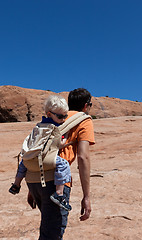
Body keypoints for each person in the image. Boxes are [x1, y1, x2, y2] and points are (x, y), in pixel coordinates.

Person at [27, 88, 95, 240]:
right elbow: (83, 157)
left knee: (48, 230)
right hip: (55, 182)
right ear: (86, 106)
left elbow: (37, 150)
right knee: (52, 234)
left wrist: (32, 186)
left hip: (35, 180)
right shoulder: (84, 119)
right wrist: (86, 196)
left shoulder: (54, 117)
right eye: (90, 105)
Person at [9, 95, 72, 211]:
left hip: (31, 157)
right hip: (45, 158)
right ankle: (59, 193)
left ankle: (16, 185)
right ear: (49, 114)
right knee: (63, 165)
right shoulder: (55, 127)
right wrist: (67, 137)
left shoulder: (39, 125)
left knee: (23, 164)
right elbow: (59, 143)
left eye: (65, 116)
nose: (63, 119)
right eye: (60, 116)